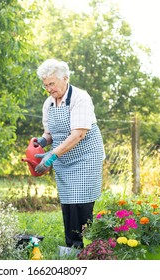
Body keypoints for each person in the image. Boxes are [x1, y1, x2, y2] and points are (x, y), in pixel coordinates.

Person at [33, 58, 105, 251]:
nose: (48, 89)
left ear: (65, 78)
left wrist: (52, 155)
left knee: (82, 200)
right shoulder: (48, 103)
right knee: (68, 202)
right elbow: (50, 133)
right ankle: (71, 247)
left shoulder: (80, 98)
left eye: (52, 84)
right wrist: (42, 141)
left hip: (86, 156)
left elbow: (78, 133)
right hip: (64, 158)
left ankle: (86, 245)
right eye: (45, 85)